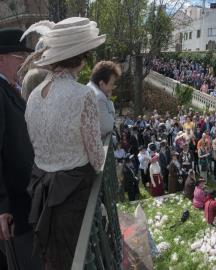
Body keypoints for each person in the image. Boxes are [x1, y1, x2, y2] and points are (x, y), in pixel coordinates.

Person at [24, 17, 106, 269]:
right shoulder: (83, 95)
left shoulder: (34, 96)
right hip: (74, 193)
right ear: (81, 58)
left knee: (56, 260)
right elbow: (96, 157)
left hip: (42, 189)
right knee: (77, 257)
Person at [0, 28, 42, 269]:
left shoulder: (10, 89)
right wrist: (2, 207)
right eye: (19, 57)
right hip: (14, 206)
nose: (23, 64)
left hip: (24, 200)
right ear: (1, 58)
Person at [87, 60, 121, 140]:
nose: (112, 88)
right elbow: (108, 126)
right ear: (102, 83)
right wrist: (109, 101)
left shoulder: (89, 87)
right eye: (111, 84)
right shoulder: (99, 97)